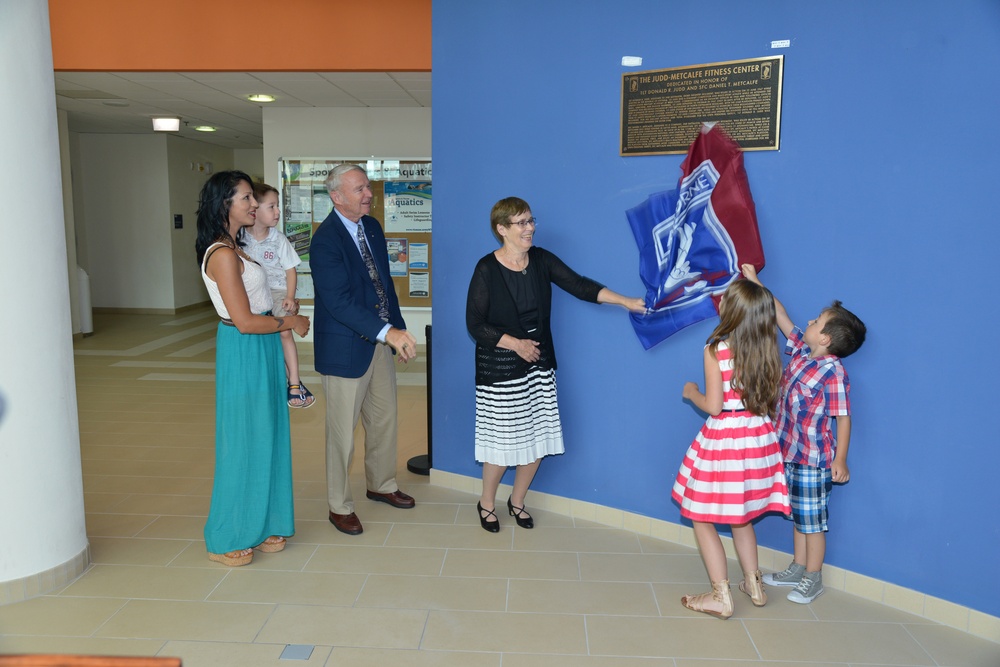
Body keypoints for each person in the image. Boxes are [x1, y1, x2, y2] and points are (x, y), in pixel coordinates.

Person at [466, 196, 646, 533]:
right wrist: (516, 344)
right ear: (501, 229)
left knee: (538, 438)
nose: (530, 228)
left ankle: (517, 501)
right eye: (521, 223)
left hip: (539, 365)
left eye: (531, 221)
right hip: (500, 371)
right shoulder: (486, 269)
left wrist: (624, 301)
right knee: (502, 445)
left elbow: (578, 284)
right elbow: (475, 324)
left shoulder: (541, 260)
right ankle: (486, 503)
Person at [195, 170, 311, 566]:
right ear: (223, 204)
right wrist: (291, 323)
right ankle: (226, 534)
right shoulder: (223, 254)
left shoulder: (237, 246)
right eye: (245, 198)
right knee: (243, 440)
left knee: (269, 434)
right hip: (245, 346)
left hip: (260, 347)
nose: (252, 204)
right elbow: (244, 320)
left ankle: (264, 522)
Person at [742, 263, 866, 604]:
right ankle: (798, 566)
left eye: (815, 322)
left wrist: (840, 458)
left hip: (813, 460)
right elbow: (779, 314)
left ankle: (814, 577)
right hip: (788, 451)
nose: (808, 323)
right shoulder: (799, 351)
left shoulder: (833, 373)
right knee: (798, 513)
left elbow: (843, 417)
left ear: (825, 338)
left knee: (813, 521)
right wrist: (757, 283)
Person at [671, 278, 791, 619]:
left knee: (700, 516)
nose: (720, 301)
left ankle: (719, 596)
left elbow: (713, 405)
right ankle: (754, 586)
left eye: (726, 299)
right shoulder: (768, 349)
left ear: (733, 311)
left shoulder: (716, 349)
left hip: (726, 438)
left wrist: (690, 391)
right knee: (741, 515)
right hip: (759, 436)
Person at [309, 164, 418, 536]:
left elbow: (383, 283)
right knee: (342, 434)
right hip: (344, 350)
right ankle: (339, 505)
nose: (368, 194)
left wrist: (397, 330)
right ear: (337, 197)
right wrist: (388, 333)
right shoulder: (325, 240)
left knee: (385, 420)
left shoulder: (371, 226)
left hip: (378, 342)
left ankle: (382, 484)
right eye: (359, 189)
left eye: (367, 187)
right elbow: (338, 302)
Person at [244, 182, 314, 408]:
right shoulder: (240, 239)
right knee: (258, 335)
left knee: (284, 331)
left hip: (278, 291)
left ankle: (294, 382)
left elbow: (291, 270)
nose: (277, 212)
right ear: (255, 209)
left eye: (277, 206)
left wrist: (290, 297)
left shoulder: (279, 239)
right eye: (271, 206)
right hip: (254, 293)